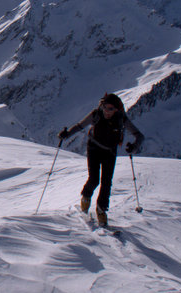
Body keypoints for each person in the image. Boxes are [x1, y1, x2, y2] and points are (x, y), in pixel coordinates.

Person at [58, 92, 144, 228]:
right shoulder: (96, 115)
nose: (107, 111)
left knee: (106, 182)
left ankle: (101, 209)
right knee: (94, 179)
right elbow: (80, 126)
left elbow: (139, 136)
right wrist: (67, 134)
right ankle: (86, 198)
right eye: (105, 107)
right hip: (93, 148)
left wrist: (134, 147)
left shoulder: (121, 118)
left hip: (110, 152)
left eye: (111, 109)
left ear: (117, 109)